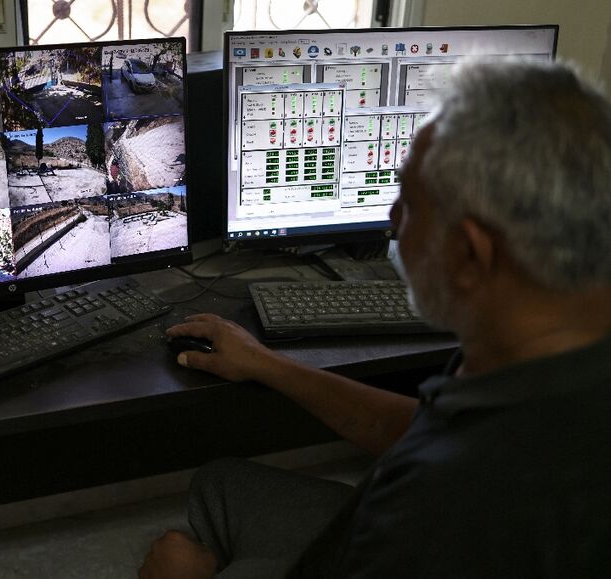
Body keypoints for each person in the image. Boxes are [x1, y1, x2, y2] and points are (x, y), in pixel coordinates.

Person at [139, 59, 611, 578]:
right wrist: (268, 366)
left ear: (471, 255)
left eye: (407, 203)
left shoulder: (446, 508)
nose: (390, 223)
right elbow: (424, 427)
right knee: (222, 483)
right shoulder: (544, 353)